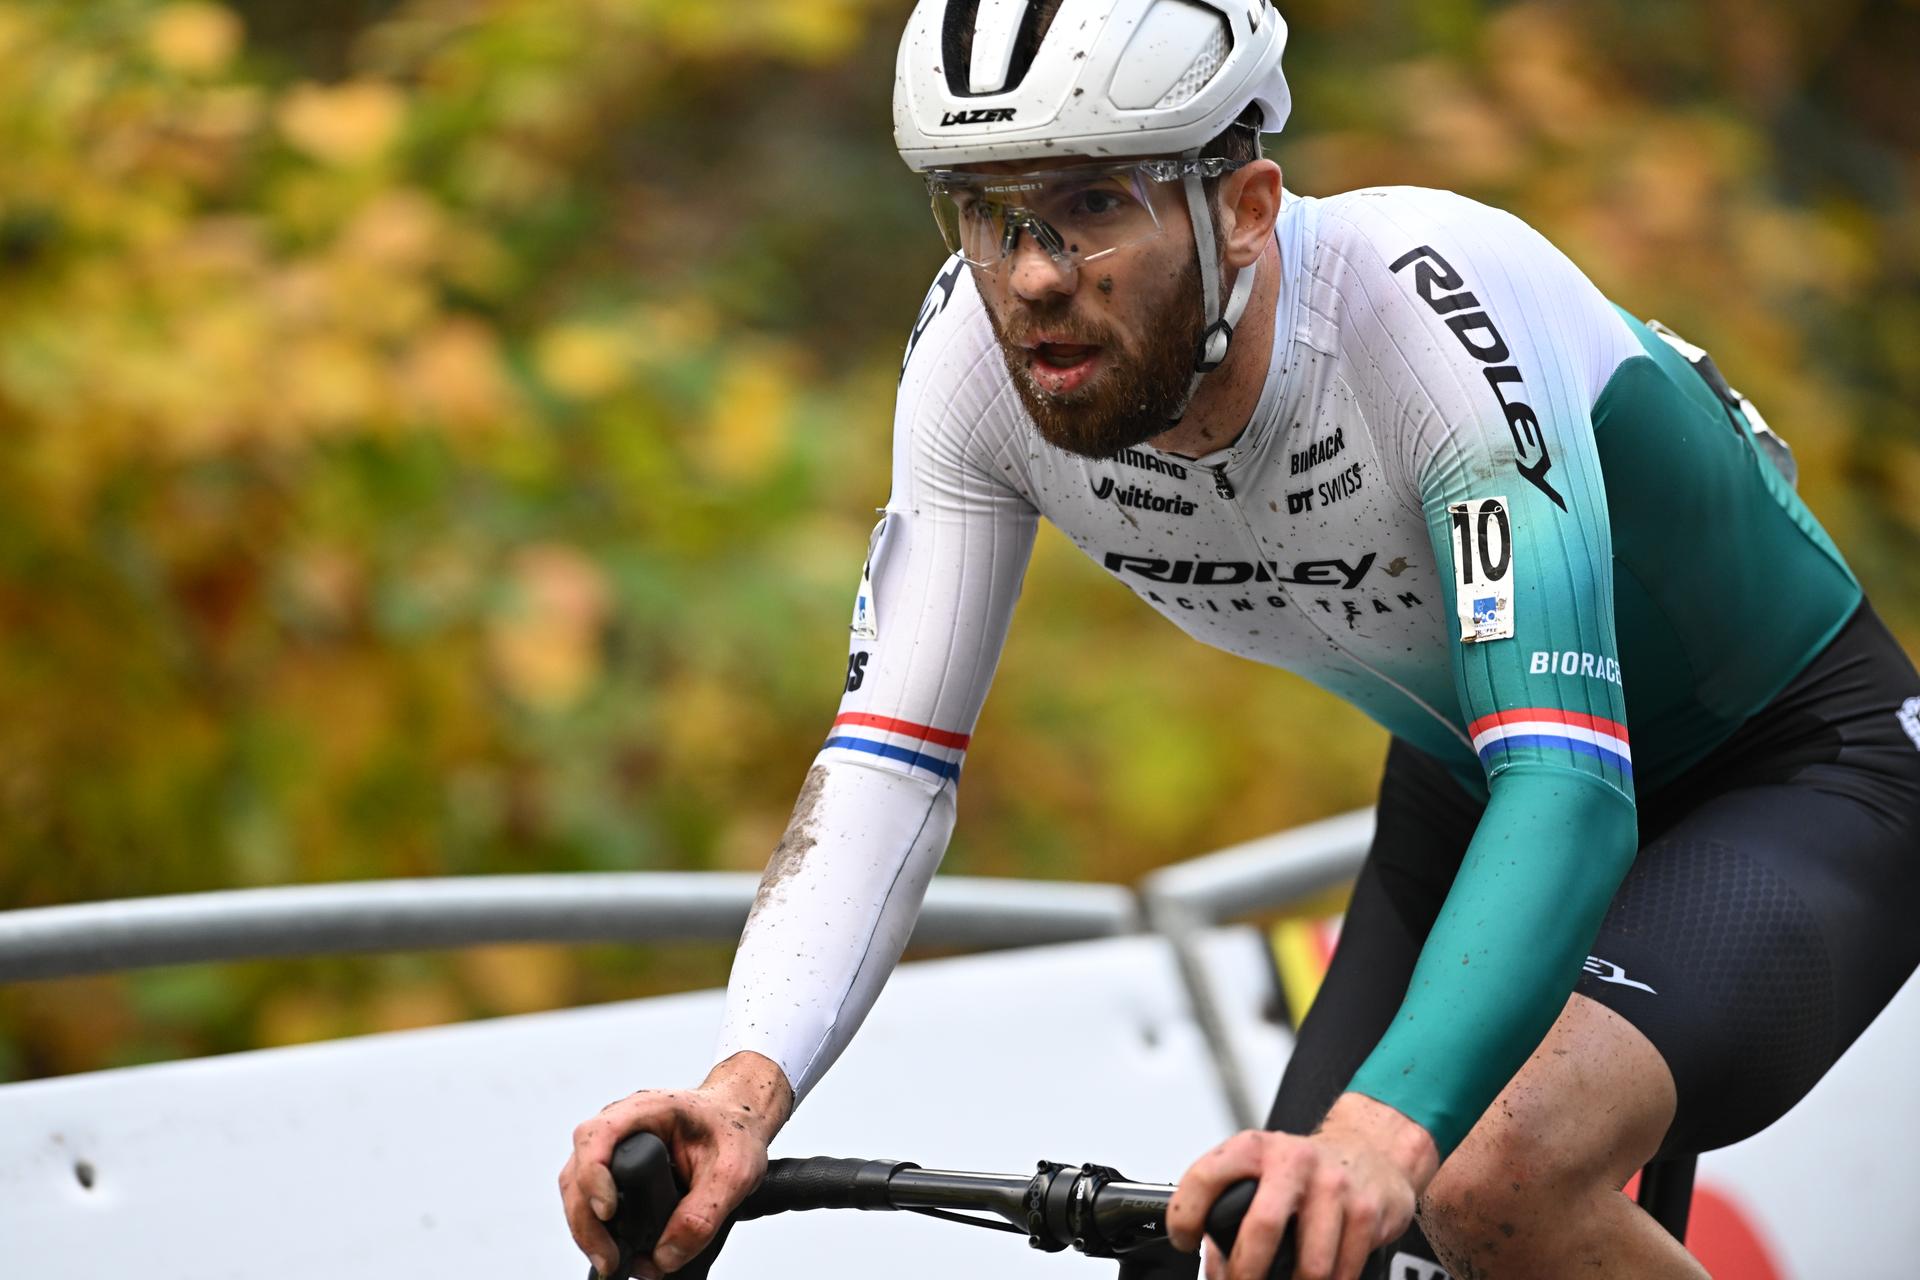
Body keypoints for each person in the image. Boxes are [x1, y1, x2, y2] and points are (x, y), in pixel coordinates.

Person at [559, 2, 1920, 1277]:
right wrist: (740, 1092)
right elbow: (888, 759)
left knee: (1490, 1181)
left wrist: (1380, 1139)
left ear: (1248, 207)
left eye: (1094, 205)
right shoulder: (972, 367)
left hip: (1793, 769)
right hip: (1471, 787)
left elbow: (1567, 782)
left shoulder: (1428, 311)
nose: (1032, 279)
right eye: (986, 215)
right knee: (1276, 1247)